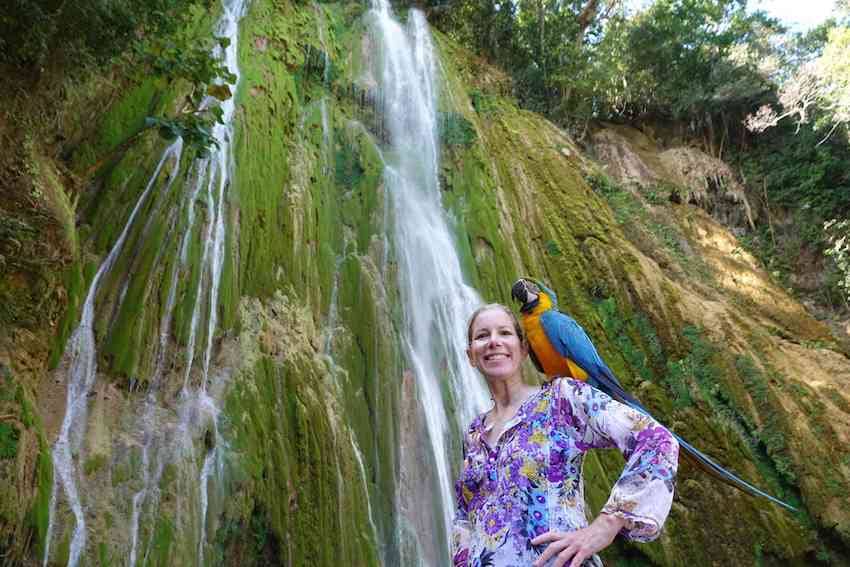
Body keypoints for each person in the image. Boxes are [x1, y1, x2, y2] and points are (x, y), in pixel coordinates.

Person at [453, 304, 679, 567]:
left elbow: (656, 440)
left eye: (504, 333)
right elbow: (464, 513)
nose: (493, 342)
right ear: (470, 355)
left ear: (524, 349)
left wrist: (608, 523)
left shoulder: (562, 399)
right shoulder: (474, 433)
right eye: (482, 336)